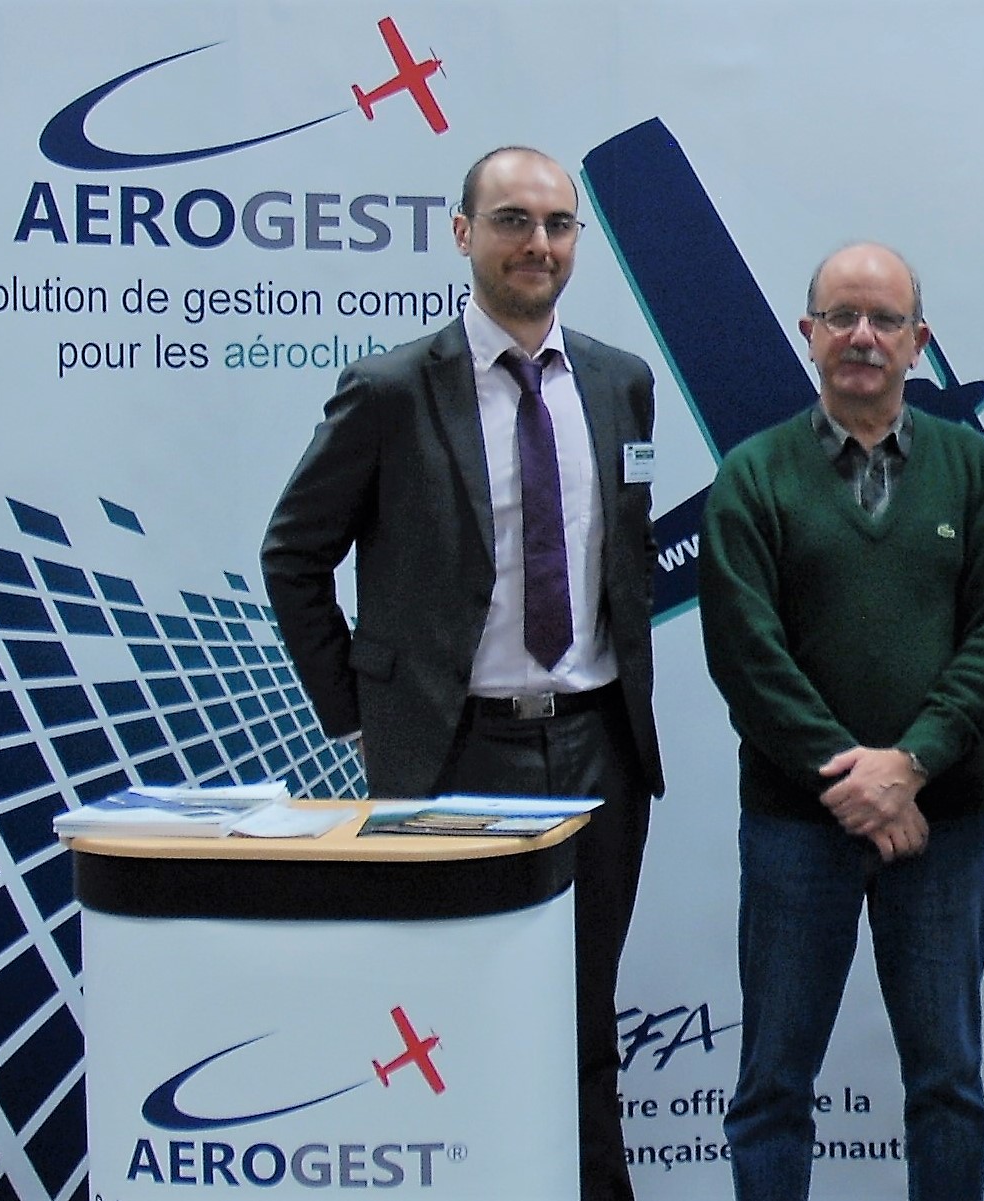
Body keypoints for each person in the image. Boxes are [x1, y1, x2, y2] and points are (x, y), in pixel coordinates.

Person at [261, 146, 662, 1201]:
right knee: (444, 1014)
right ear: (462, 233)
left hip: (597, 752)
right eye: (513, 220)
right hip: (451, 756)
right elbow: (294, 554)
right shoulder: (392, 390)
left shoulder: (621, 382)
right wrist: (359, 713)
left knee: (585, 1018)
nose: (538, 243)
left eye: (558, 224)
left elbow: (620, 557)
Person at [697, 242, 984, 1201]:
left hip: (941, 823)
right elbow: (747, 656)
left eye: (886, 319)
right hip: (794, 826)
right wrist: (854, 778)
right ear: (807, 333)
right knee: (772, 1083)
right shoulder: (753, 475)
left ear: (918, 341)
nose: (862, 336)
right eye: (842, 316)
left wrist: (911, 765)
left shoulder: (973, 470)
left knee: (948, 1083)